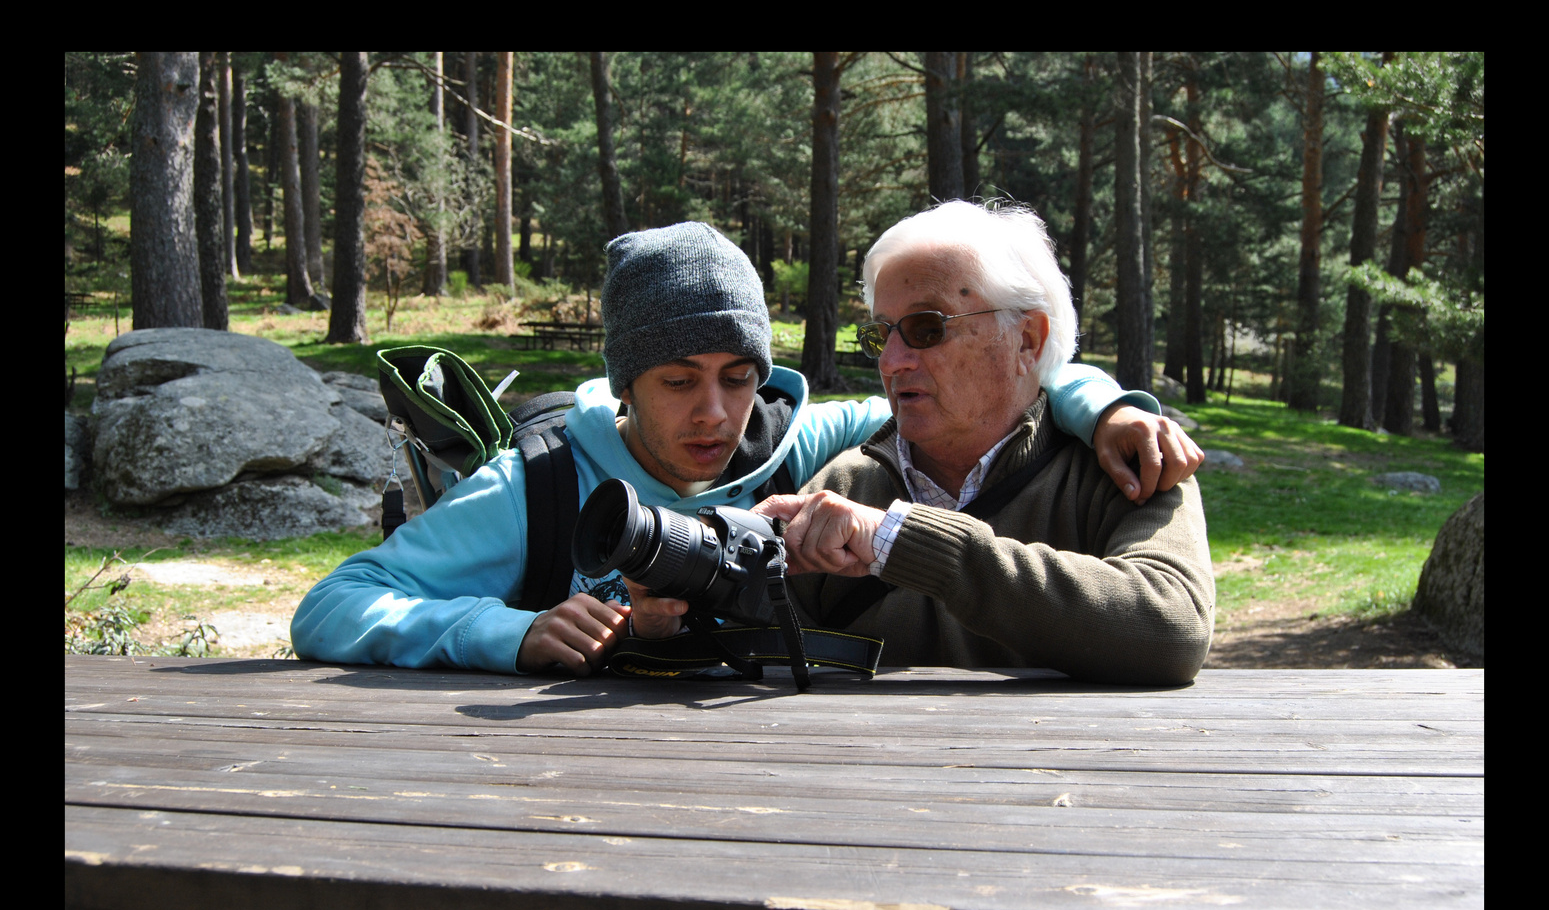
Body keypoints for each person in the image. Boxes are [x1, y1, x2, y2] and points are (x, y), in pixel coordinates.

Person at [292, 220, 1201, 677]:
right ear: (623, 385)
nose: (716, 416)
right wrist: (528, 632)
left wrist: (1105, 404)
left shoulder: (816, 453)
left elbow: (1002, 393)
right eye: (677, 381)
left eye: (739, 377)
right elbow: (331, 606)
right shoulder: (539, 483)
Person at [739, 201, 1215, 685]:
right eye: (880, 335)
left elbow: (1172, 630)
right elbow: (752, 662)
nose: (891, 361)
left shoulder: (1134, 466)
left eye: (927, 328)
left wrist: (896, 540)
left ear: (1026, 340)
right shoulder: (844, 486)